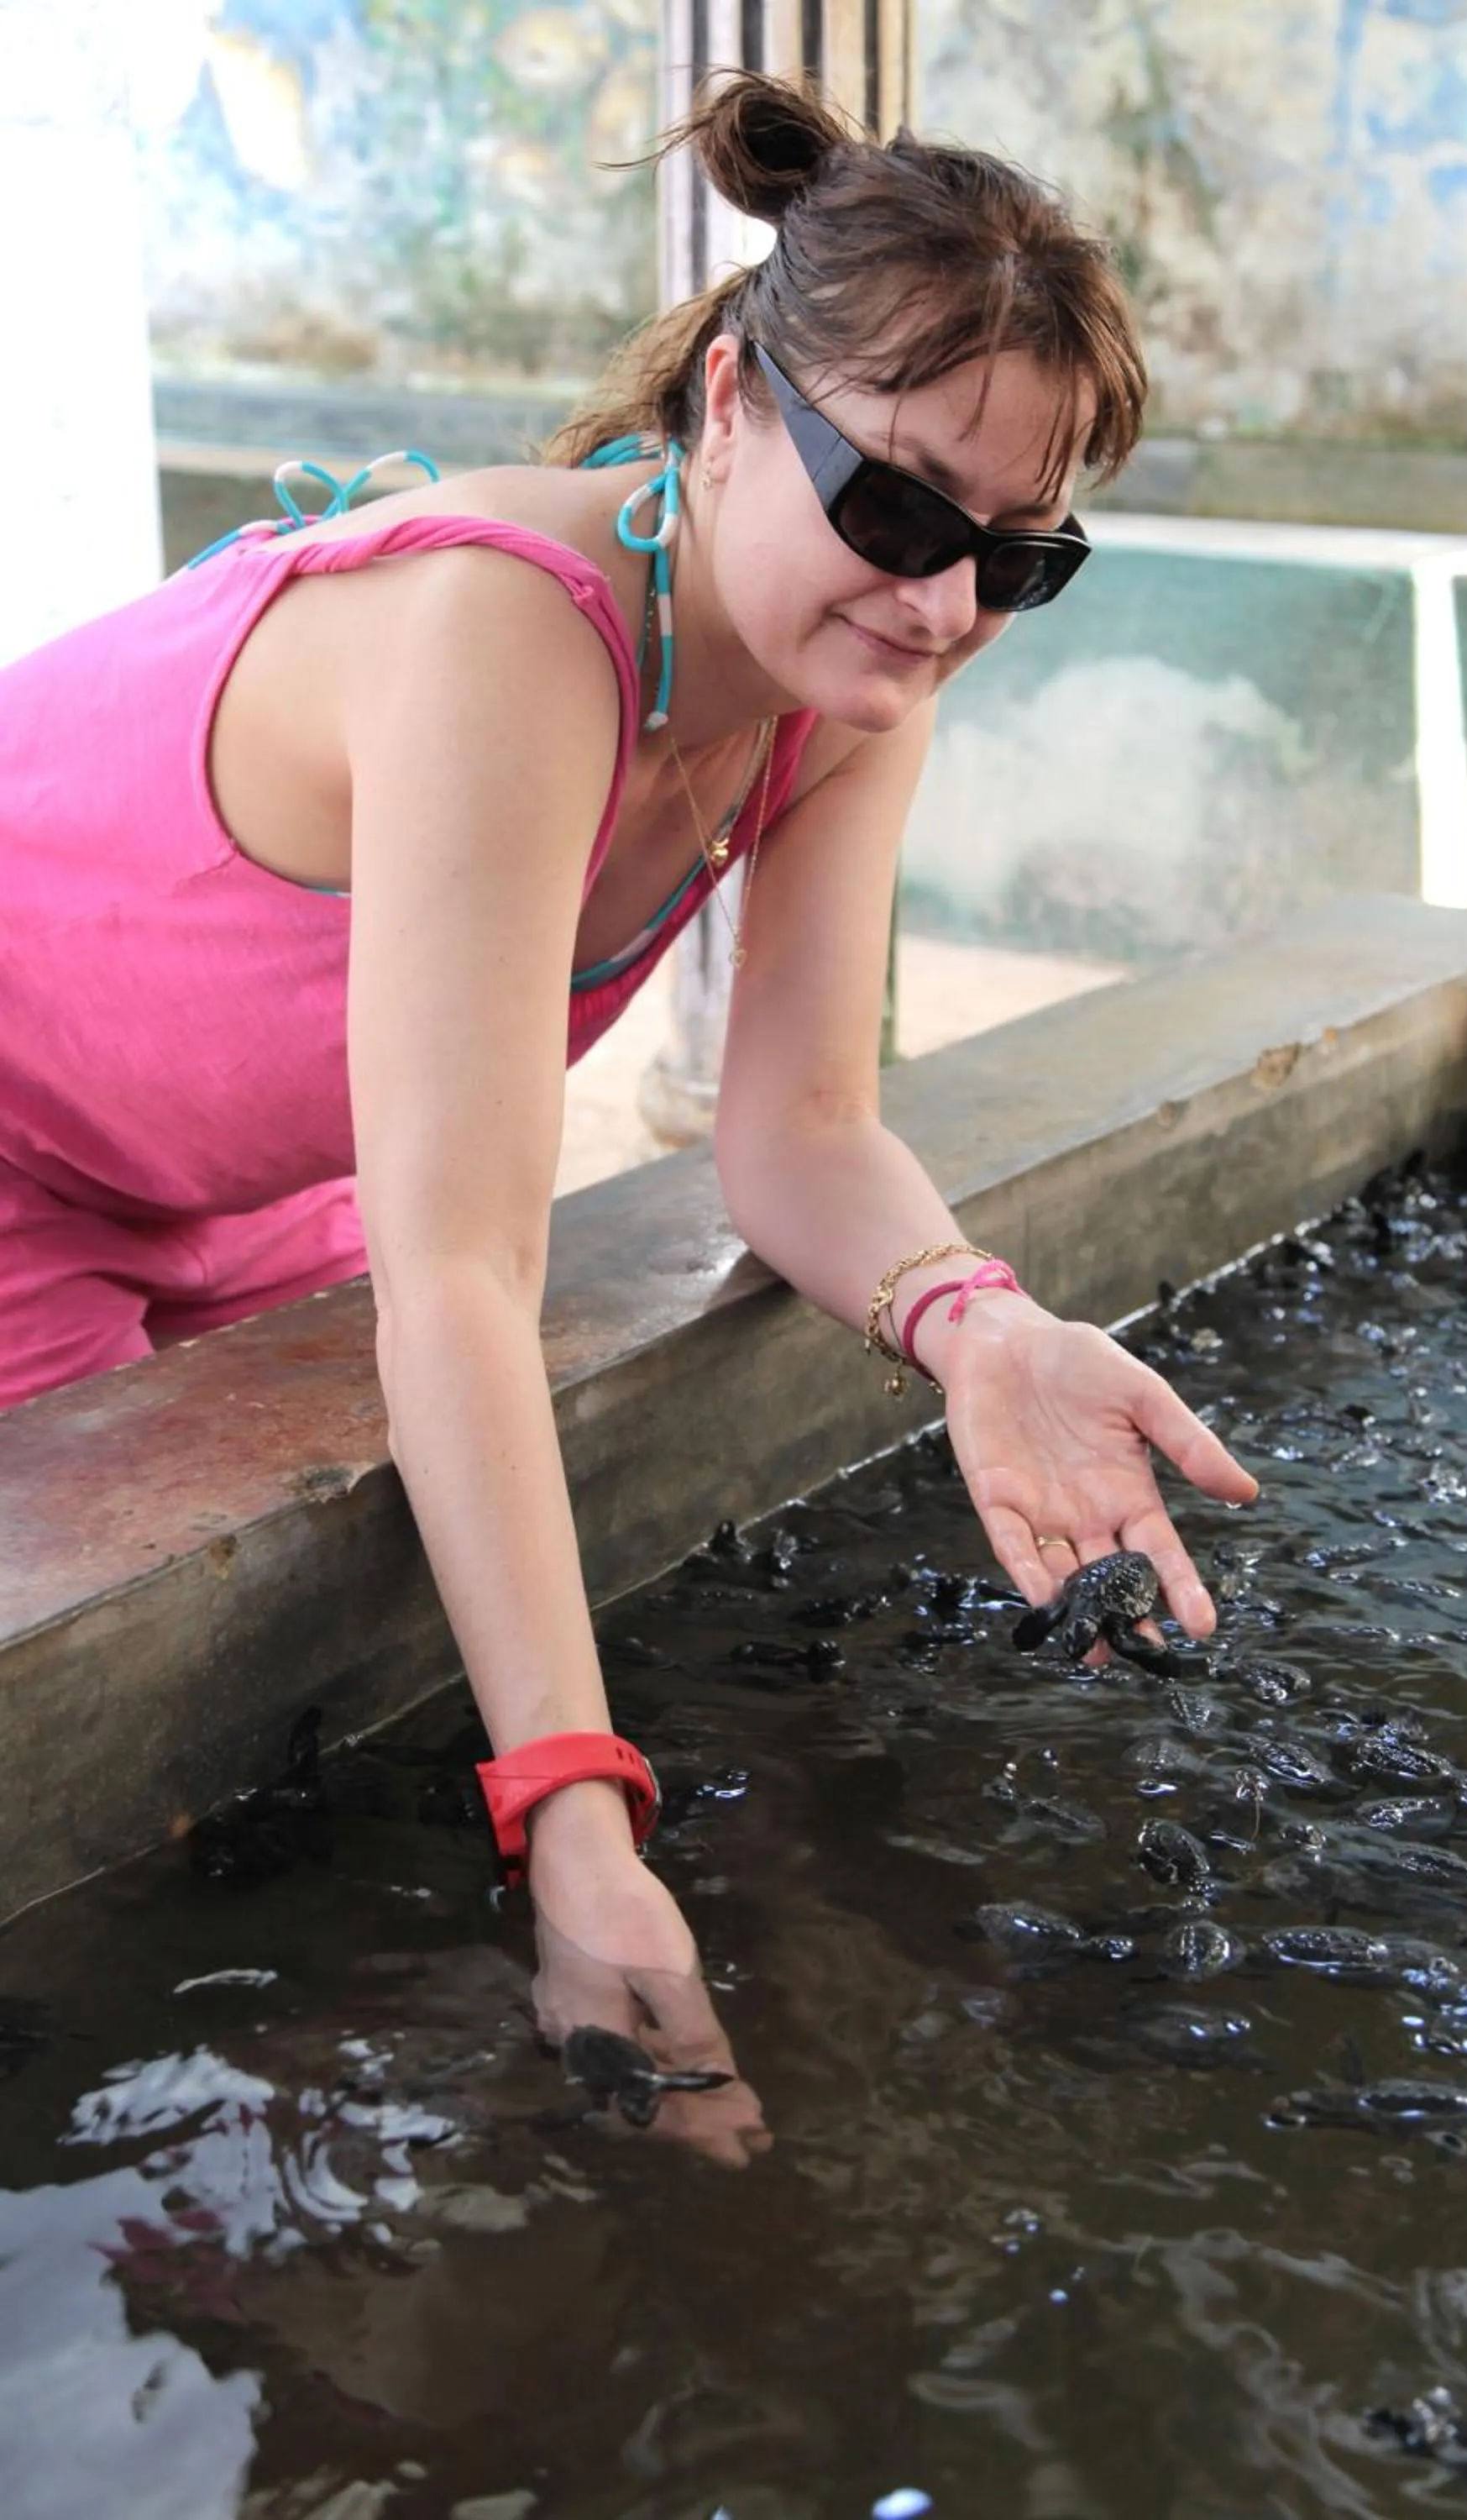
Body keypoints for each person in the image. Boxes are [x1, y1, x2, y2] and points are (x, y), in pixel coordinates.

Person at [0, 74, 1256, 2160]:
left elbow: (801, 1129)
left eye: (1016, 561)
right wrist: (573, 1822)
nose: (942, 604)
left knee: (314, 1702)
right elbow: (467, 1275)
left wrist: (982, 1326)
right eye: (900, 511)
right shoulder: (508, 626)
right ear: (733, 407)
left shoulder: (843, 679)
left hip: (233, 1174)